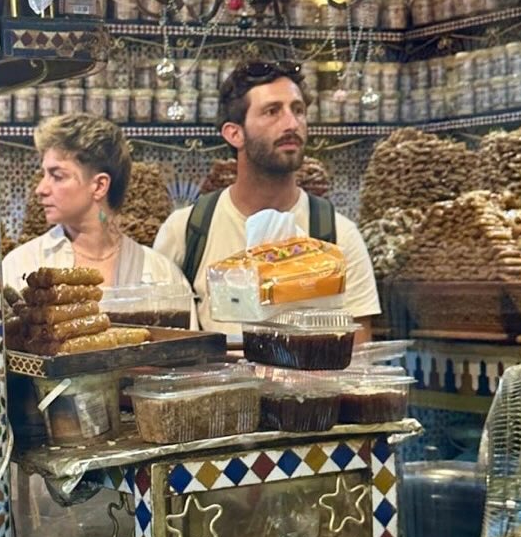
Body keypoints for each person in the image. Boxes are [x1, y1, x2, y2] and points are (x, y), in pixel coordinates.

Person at [153, 60, 380, 339]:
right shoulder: (186, 231)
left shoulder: (337, 235)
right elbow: (162, 343)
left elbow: (358, 356)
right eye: (272, 112)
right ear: (234, 133)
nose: (292, 123)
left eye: (298, 110)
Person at [2, 112, 194, 297]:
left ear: (100, 185)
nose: (41, 189)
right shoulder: (22, 267)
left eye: (57, 176)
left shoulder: (162, 275)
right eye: (44, 174)